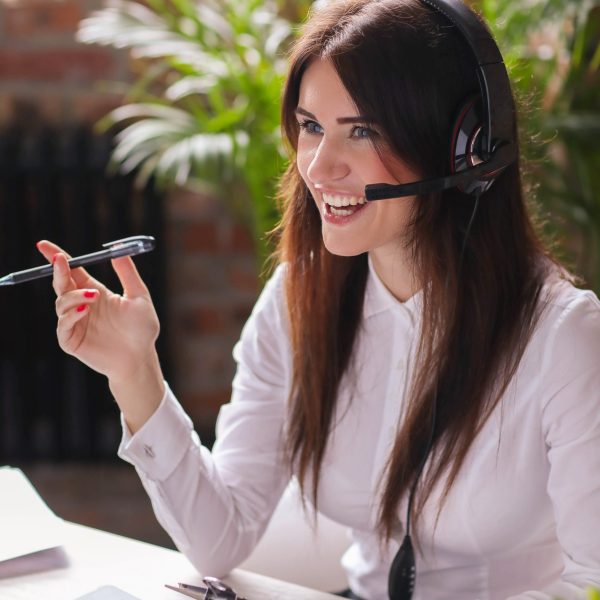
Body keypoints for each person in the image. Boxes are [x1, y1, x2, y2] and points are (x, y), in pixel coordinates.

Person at [37, 0, 600, 599]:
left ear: (465, 150)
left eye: (361, 131)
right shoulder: (298, 300)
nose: (319, 167)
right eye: (310, 126)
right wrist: (134, 372)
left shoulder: (562, 337)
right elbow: (219, 538)